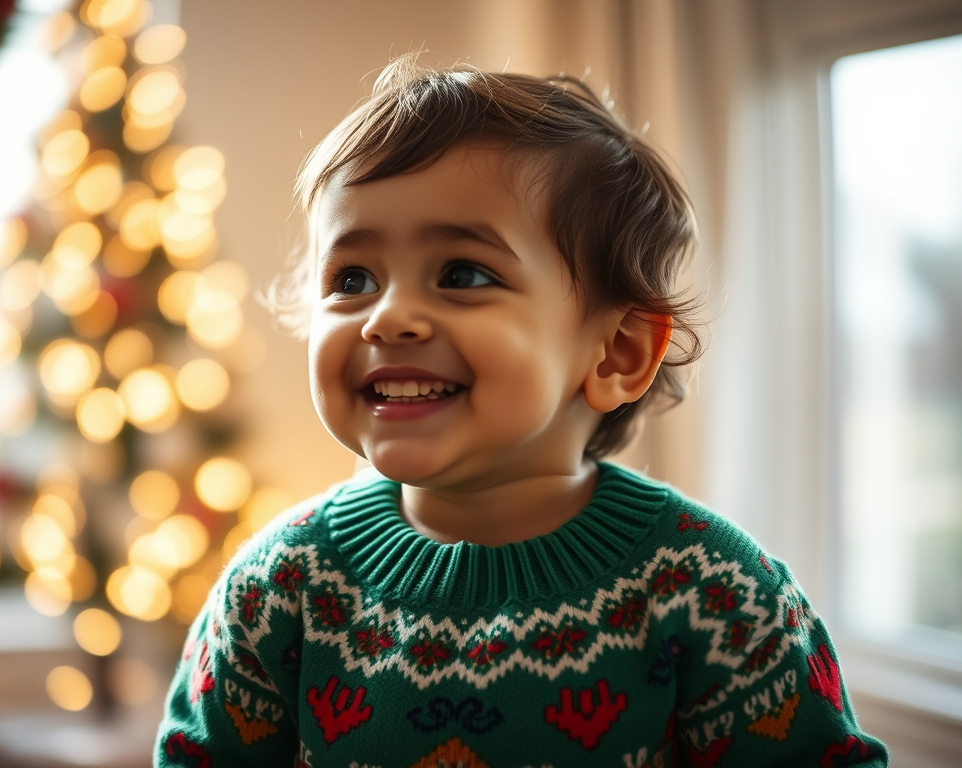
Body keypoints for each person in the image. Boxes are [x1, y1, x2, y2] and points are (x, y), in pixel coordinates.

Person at [154, 58, 888, 767]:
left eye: (462, 274)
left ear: (618, 355)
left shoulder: (715, 592)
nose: (388, 317)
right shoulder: (278, 587)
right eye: (352, 278)